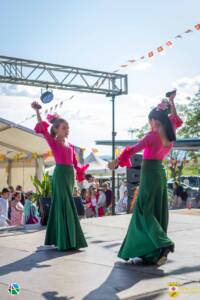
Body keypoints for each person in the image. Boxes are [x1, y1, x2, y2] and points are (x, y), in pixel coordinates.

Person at [108, 90, 183, 266]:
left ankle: (163, 243)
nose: (149, 124)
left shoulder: (151, 136)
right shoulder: (170, 132)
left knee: (143, 211)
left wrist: (116, 161)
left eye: (149, 121)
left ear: (154, 121)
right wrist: (172, 101)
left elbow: (132, 150)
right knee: (157, 210)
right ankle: (153, 253)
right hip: (160, 173)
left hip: (149, 174)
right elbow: (175, 117)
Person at [32, 101, 89, 251]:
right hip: (61, 175)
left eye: (68, 127)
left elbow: (75, 162)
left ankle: (64, 237)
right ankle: (66, 239)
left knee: (66, 204)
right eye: (64, 128)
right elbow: (43, 128)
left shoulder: (69, 144)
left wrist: (78, 175)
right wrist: (38, 111)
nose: (67, 130)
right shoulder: (53, 141)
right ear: (56, 130)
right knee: (63, 204)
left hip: (69, 176)